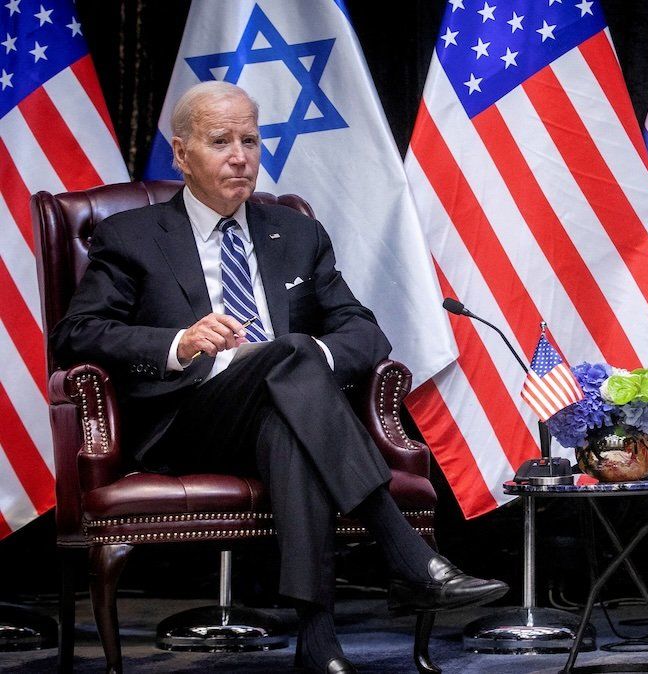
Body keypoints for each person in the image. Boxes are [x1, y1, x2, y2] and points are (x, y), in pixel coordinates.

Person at [50, 81, 507, 673]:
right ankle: (404, 555)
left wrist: (306, 357)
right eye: (220, 142)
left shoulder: (296, 234)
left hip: (284, 414)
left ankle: (318, 644)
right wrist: (179, 342)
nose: (240, 155)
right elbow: (76, 334)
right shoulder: (131, 236)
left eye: (250, 139)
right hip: (184, 420)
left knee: (288, 401)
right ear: (182, 153)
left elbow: (365, 333)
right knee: (291, 360)